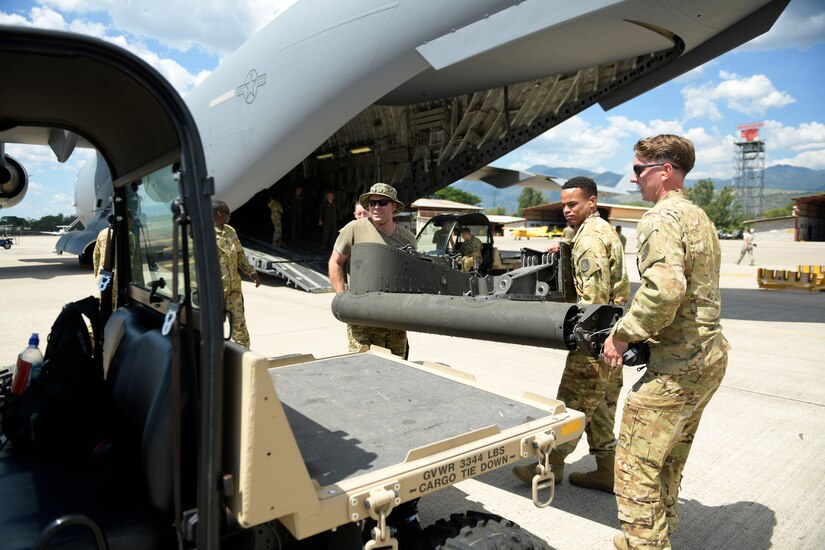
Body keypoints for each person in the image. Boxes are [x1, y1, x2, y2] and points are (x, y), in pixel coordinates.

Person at [602, 135, 729, 550]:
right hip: (708, 356)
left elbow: (665, 290)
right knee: (670, 456)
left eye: (639, 169)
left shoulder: (660, 218)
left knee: (635, 464)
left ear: (665, 171)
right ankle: (661, 531)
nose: (634, 177)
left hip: (676, 365)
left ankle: (646, 544)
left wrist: (622, 335)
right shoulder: (699, 217)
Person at [513, 176, 629, 492]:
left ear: (592, 201)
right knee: (602, 406)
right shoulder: (600, 231)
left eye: (573, 204)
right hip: (613, 337)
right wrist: (565, 246)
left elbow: (593, 300)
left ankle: (551, 465)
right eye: (564, 204)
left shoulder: (589, 240)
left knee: (573, 401)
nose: (566, 210)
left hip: (594, 340)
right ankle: (608, 471)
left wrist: (582, 339)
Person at [328, 183, 416, 358]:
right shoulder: (354, 228)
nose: (376, 207)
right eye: (372, 203)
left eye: (382, 202)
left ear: (394, 206)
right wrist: (341, 297)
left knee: (396, 369)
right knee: (363, 370)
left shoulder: (408, 238)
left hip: (395, 320)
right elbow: (335, 262)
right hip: (362, 319)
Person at [214, 200, 261, 349]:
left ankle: (244, 360)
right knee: (213, 331)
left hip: (234, 291)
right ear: (218, 214)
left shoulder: (230, 231)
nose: (230, 216)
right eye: (228, 213)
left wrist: (251, 273)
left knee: (240, 328)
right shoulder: (204, 235)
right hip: (215, 293)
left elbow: (240, 254)